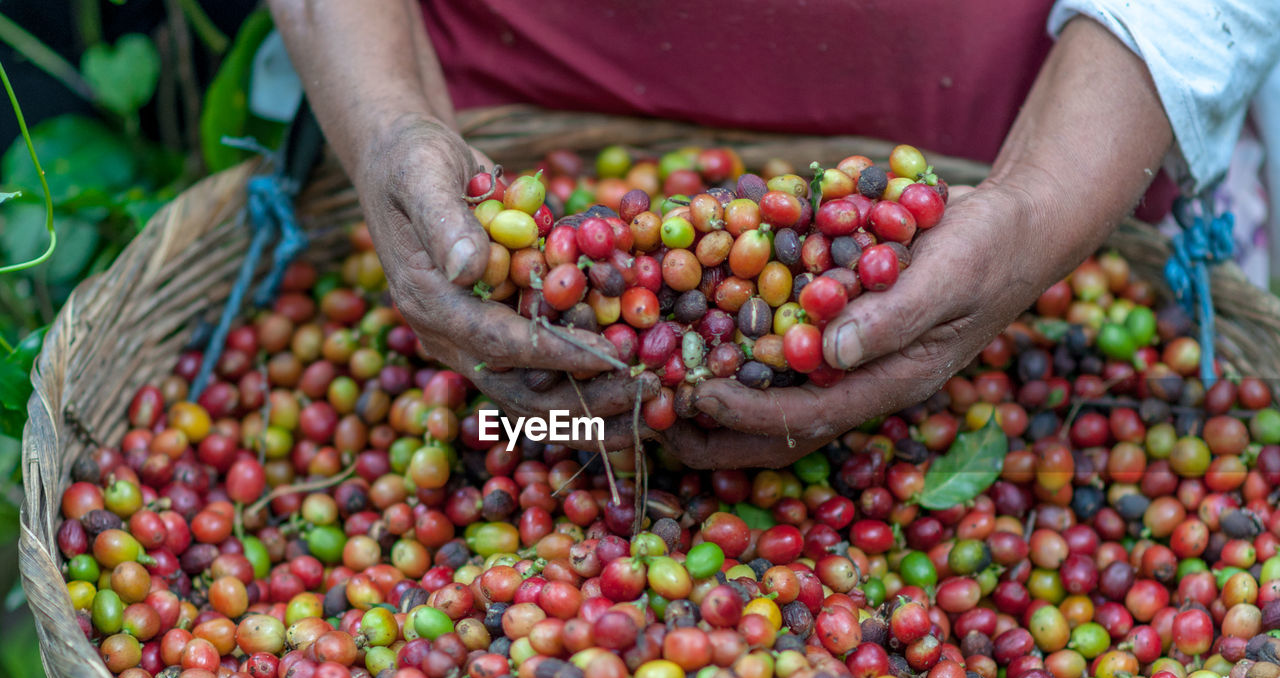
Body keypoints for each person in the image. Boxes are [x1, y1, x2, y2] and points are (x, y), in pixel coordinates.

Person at [266, 0, 1280, 469]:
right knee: (510, 421)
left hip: (1029, 185)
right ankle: (542, 441)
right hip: (510, 132)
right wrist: (389, 124)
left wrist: (1038, 206)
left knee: (912, 430)